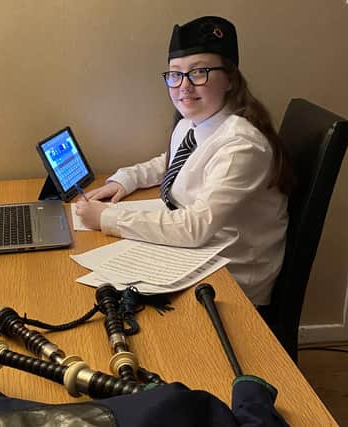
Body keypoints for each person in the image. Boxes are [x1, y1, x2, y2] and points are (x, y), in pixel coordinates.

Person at [75, 16, 292, 305]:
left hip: (232, 277)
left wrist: (106, 217)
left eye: (199, 72)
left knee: (110, 299)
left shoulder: (242, 145)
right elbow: (171, 162)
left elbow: (195, 228)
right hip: (201, 252)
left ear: (230, 78)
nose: (184, 87)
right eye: (175, 74)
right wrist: (125, 180)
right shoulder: (194, 122)